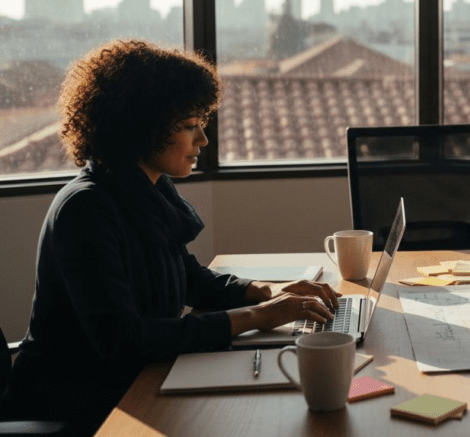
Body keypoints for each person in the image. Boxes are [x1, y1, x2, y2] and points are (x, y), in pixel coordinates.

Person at [2, 39, 339, 435]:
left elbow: (190, 279)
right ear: (138, 128)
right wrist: (254, 317)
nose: (203, 140)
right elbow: (126, 341)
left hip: (135, 381)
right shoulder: (85, 209)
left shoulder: (145, 189)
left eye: (201, 123)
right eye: (187, 126)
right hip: (76, 404)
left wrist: (266, 292)